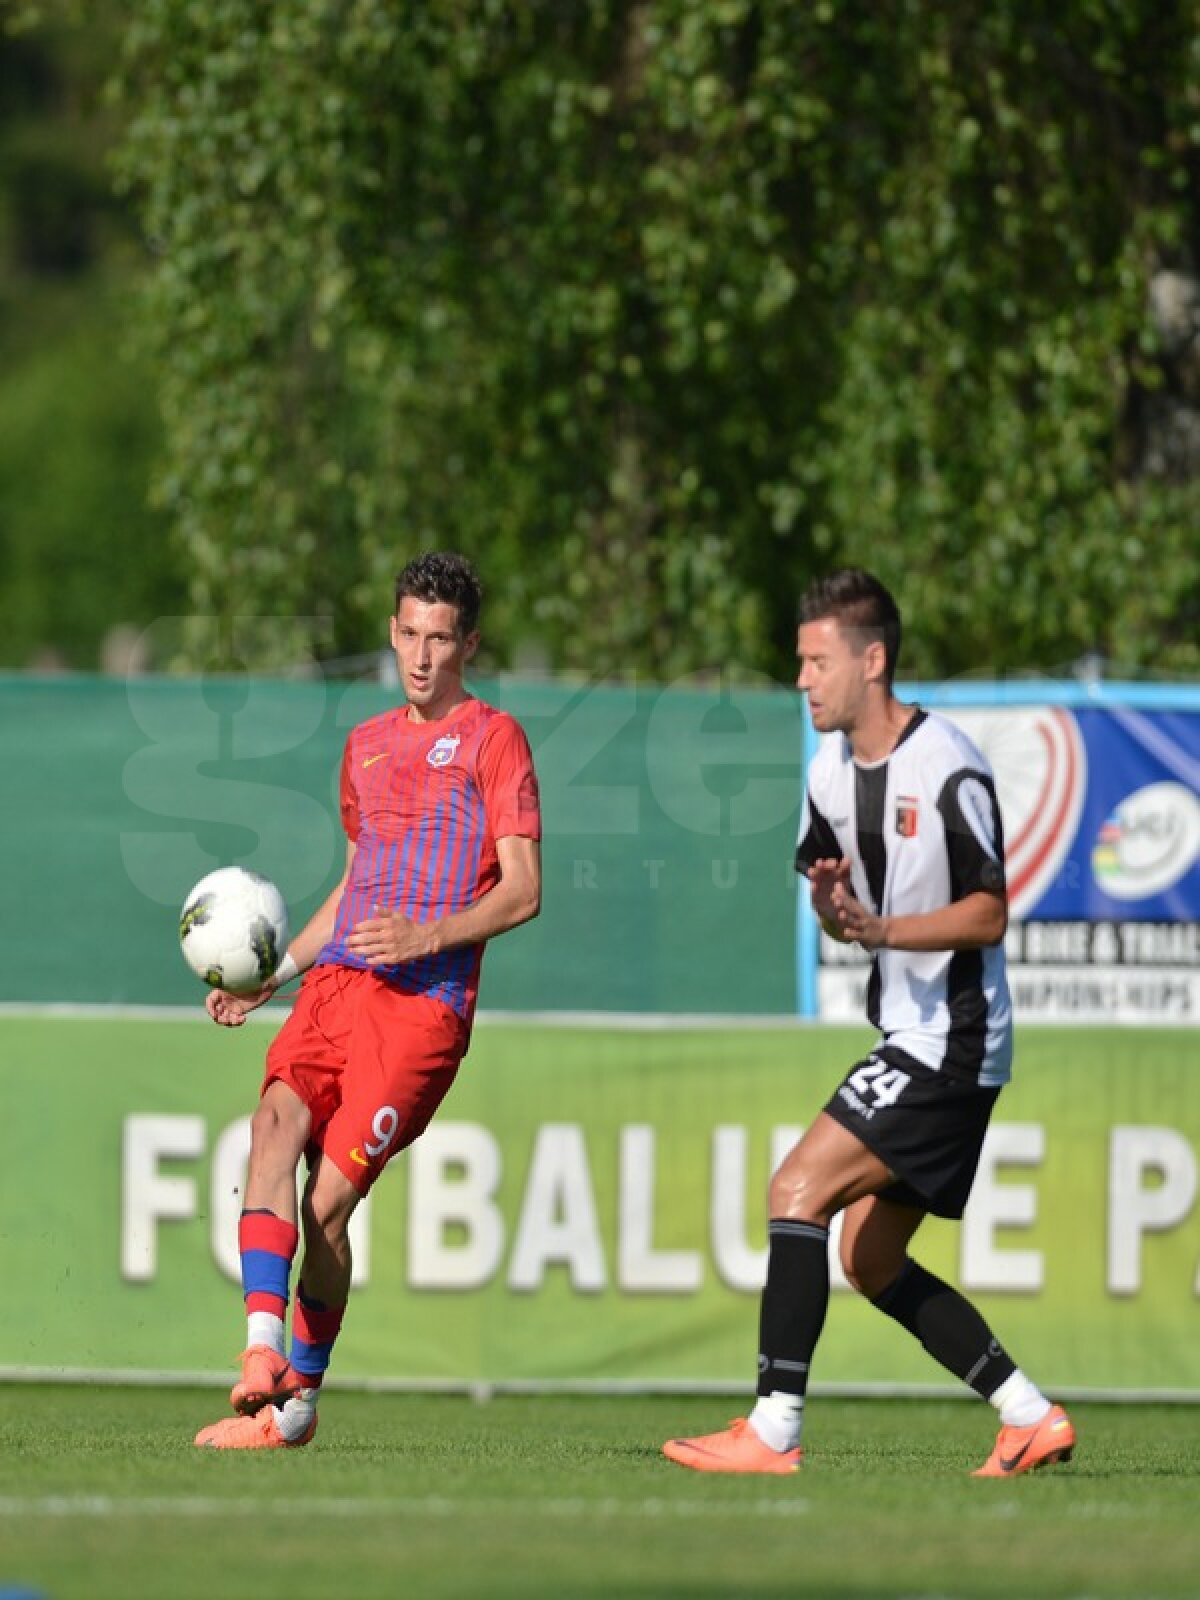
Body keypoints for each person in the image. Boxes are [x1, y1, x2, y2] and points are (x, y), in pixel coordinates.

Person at [663, 568, 1075, 1479]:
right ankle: (1028, 1414)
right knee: (870, 1258)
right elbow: (839, 913)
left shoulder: (948, 763)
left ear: (872, 660)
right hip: (914, 1036)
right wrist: (835, 905)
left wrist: (883, 928)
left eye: (816, 661)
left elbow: (989, 912)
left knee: (795, 1188)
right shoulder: (827, 774)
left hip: (953, 1041)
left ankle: (773, 1429)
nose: (803, 680)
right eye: (799, 663)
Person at [194, 551, 541, 1450]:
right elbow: (357, 887)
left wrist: (428, 937)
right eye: (409, 634)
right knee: (271, 1129)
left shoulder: (494, 739)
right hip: (338, 985)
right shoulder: (367, 746)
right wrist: (277, 974)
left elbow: (525, 890)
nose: (422, 656)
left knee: (326, 1211)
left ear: (469, 643)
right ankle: (261, 1358)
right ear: (392, 632)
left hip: (422, 1008)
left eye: (442, 639)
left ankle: (294, 1408)